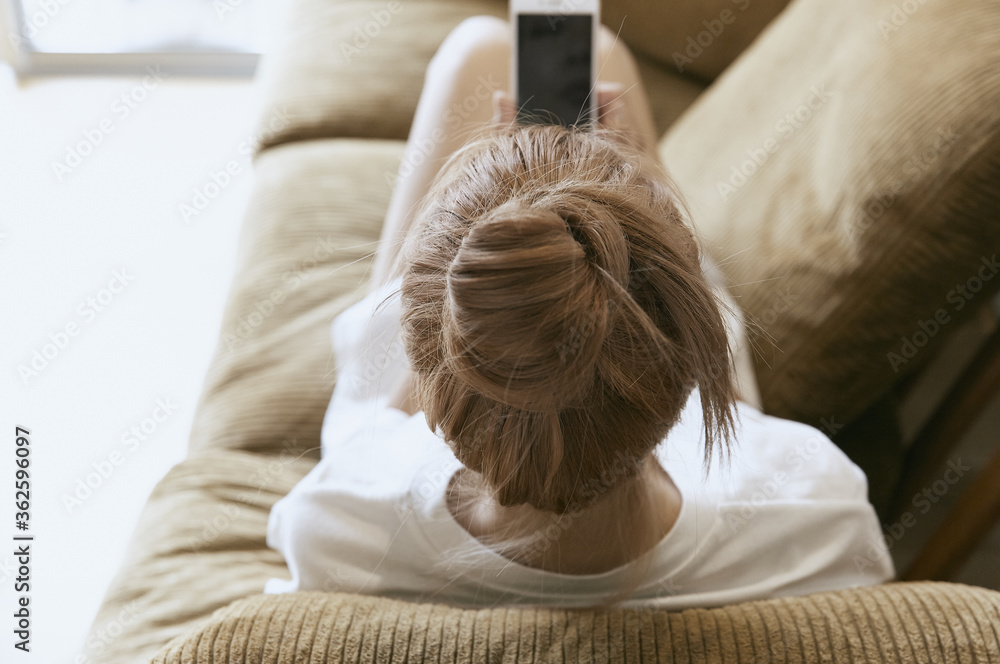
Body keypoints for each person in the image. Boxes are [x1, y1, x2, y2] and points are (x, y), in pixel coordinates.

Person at [264, 16, 894, 609]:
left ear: (435, 381)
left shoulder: (340, 523)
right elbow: (740, 429)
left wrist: (482, 304)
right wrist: (636, 180)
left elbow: (390, 432)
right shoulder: (817, 511)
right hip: (604, 398)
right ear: (684, 375)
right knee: (598, 53)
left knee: (476, 49)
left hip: (508, 397)